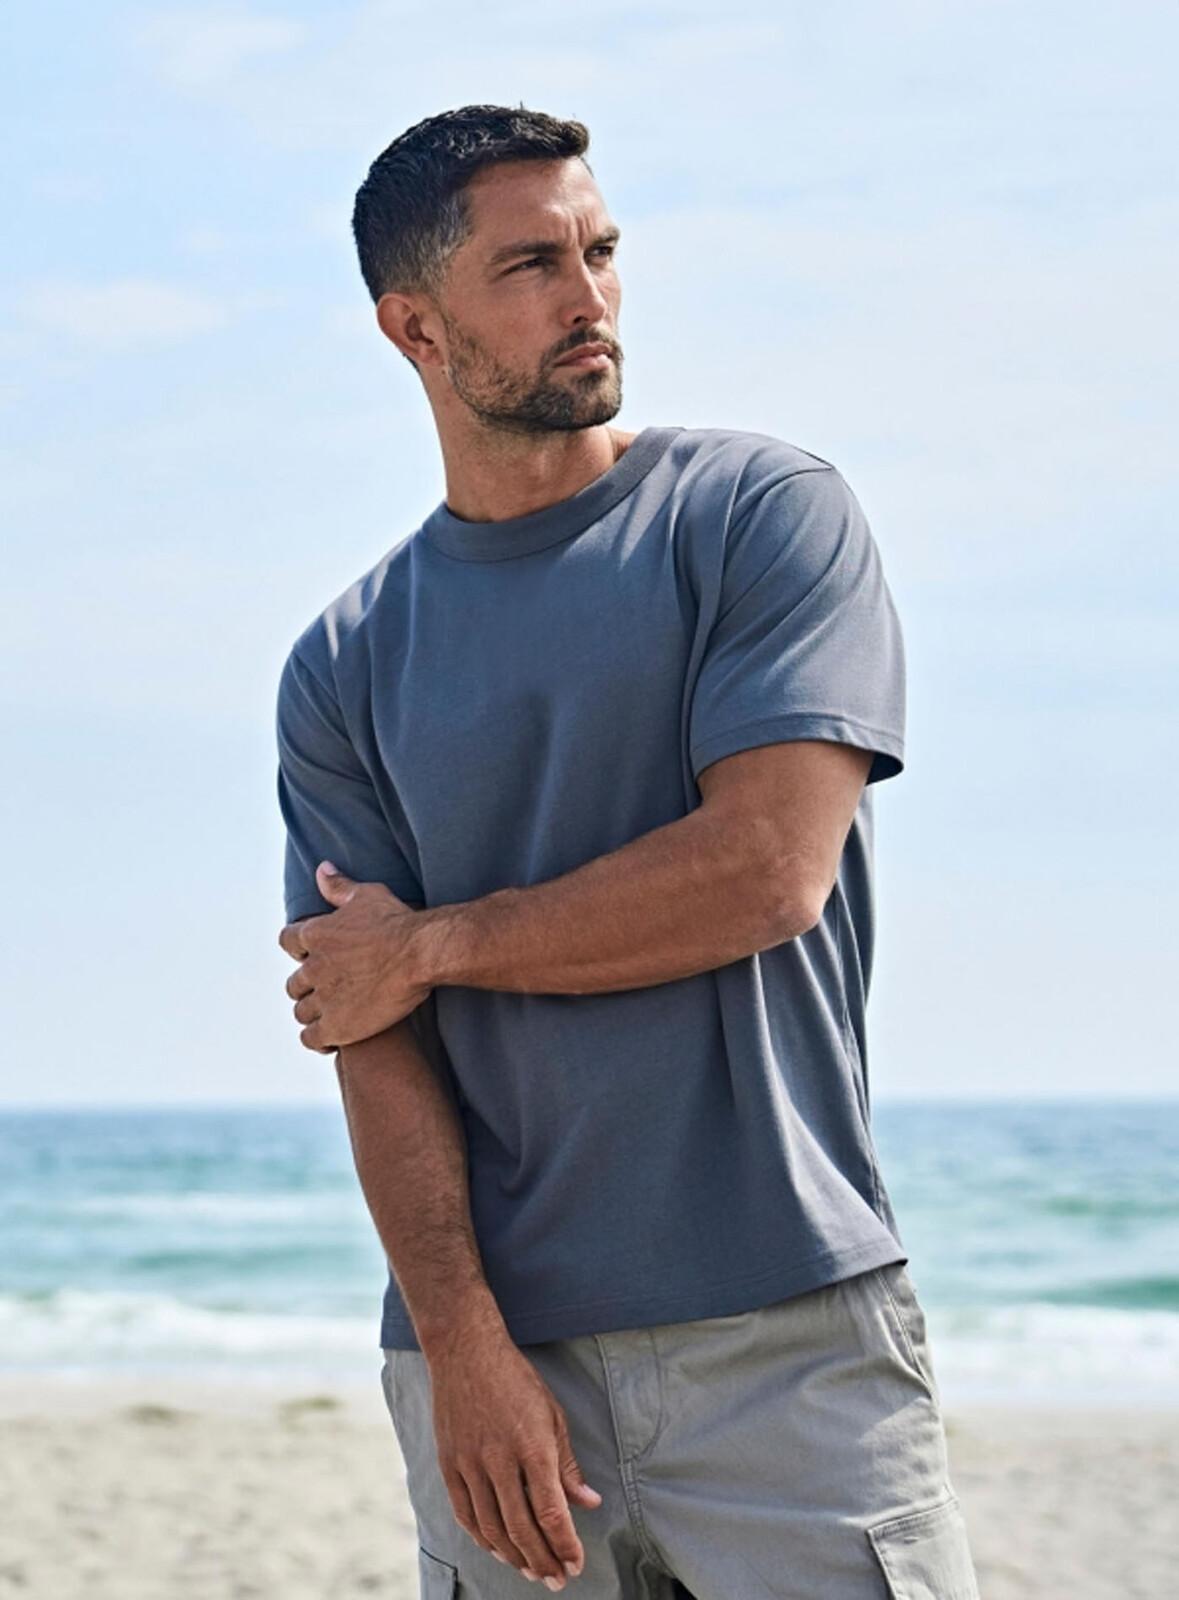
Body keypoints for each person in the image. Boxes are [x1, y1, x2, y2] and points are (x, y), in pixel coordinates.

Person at [276, 105, 979, 1600]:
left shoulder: (756, 517)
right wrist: (461, 1346)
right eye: (531, 265)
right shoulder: (347, 660)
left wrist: (438, 944)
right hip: (491, 1368)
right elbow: (365, 1024)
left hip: (788, 1338)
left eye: (599, 251)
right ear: (415, 326)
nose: (588, 296)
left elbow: (765, 873)